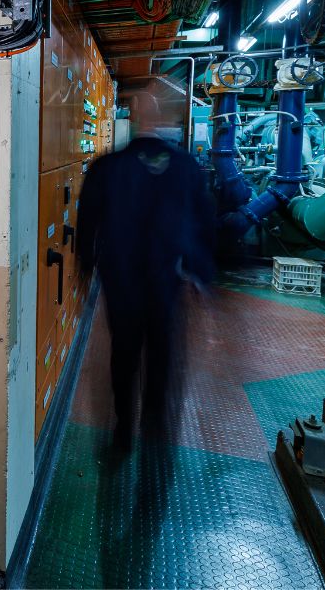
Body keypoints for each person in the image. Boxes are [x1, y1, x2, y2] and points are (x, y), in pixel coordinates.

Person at [76, 90, 215, 453]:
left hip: (121, 283)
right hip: (164, 283)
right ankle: (154, 428)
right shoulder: (186, 167)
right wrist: (201, 274)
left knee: (124, 355)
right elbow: (201, 223)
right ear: (165, 117)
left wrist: (84, 268)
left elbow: (87, 222)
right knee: (161, 354)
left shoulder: (107, 167)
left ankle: (124, 429)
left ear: (132, 116)